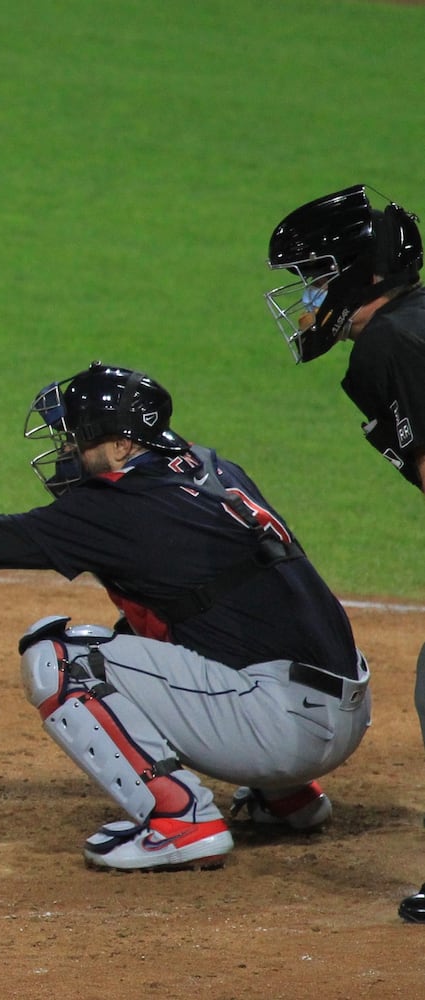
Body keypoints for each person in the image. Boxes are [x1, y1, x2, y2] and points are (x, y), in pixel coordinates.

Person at [0, 363, 370, 872]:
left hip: (283, 730)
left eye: (78, 439)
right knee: (152, 628)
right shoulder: (209, 469)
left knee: (60, 660)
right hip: (339, 706)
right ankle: (287, 797)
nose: (67, 451)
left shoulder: (115, 508)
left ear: (121, 448)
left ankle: (182, 821)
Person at [264, 185, 425, 922]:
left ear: (360, 274)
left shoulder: (392, 345)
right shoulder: (410, 326)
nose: (307, 297)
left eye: (316, 276)